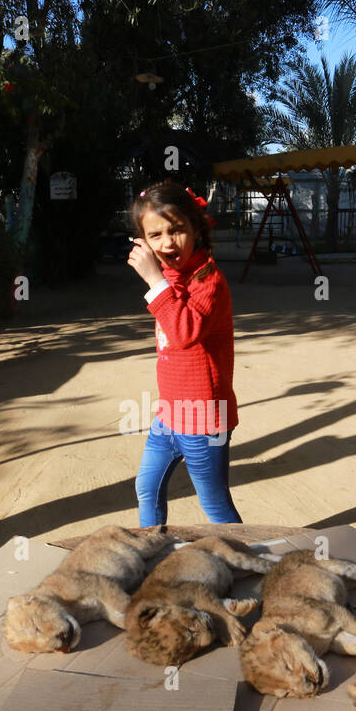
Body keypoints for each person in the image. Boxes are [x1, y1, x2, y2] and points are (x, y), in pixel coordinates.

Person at [126, 180, 242, 526]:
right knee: (146, 487)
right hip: (169, 414)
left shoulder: (208, 281)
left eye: (176, 230)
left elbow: (182, 334)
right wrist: (161, 279)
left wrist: (153, 280)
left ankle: (250, 566)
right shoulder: (173, 276)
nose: (166, 242)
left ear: (197, 229)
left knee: (216, 508)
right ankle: (152, 554)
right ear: (143, 242)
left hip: (203, 419)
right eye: (155, 235)